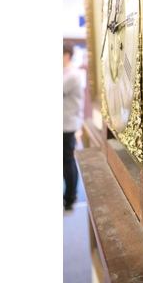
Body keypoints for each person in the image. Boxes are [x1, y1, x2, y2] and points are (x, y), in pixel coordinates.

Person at [63, 40, 84, 211]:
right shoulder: (64, 73)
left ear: (66, 55)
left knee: (67, 162)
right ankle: (70, 195)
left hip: (67, 125)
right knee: (65, 161)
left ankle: (70, 197)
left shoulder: (73, 75)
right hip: (63, 124)